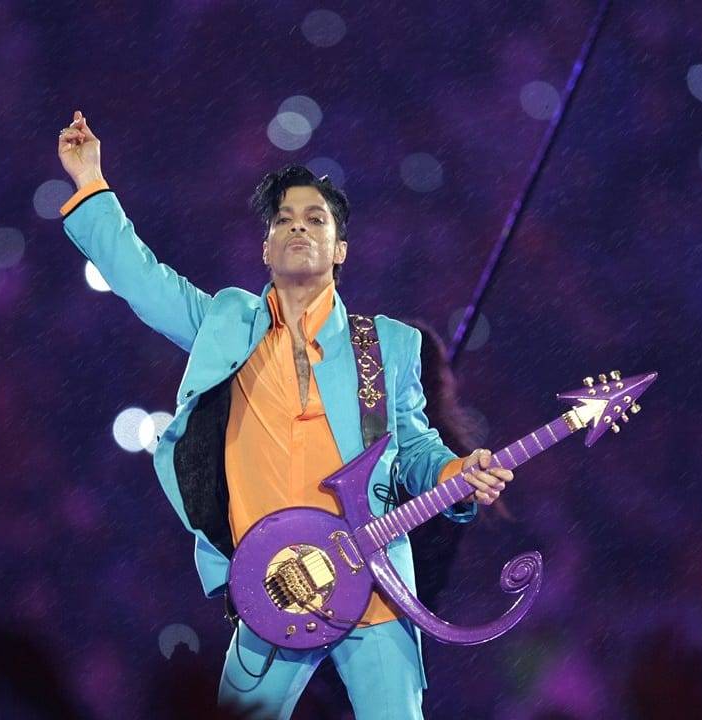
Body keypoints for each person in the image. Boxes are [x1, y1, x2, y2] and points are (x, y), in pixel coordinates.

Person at [56, 110, 514, 720]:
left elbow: (414, 450)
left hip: (374, 582)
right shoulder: (227, 325)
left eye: (316, 219)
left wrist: (455, 471)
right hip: (274, 584)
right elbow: (143, 280)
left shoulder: (386, 345)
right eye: (284, 219)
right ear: (266, 247)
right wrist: (90, 181)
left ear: (340, 248)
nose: (298, 227)